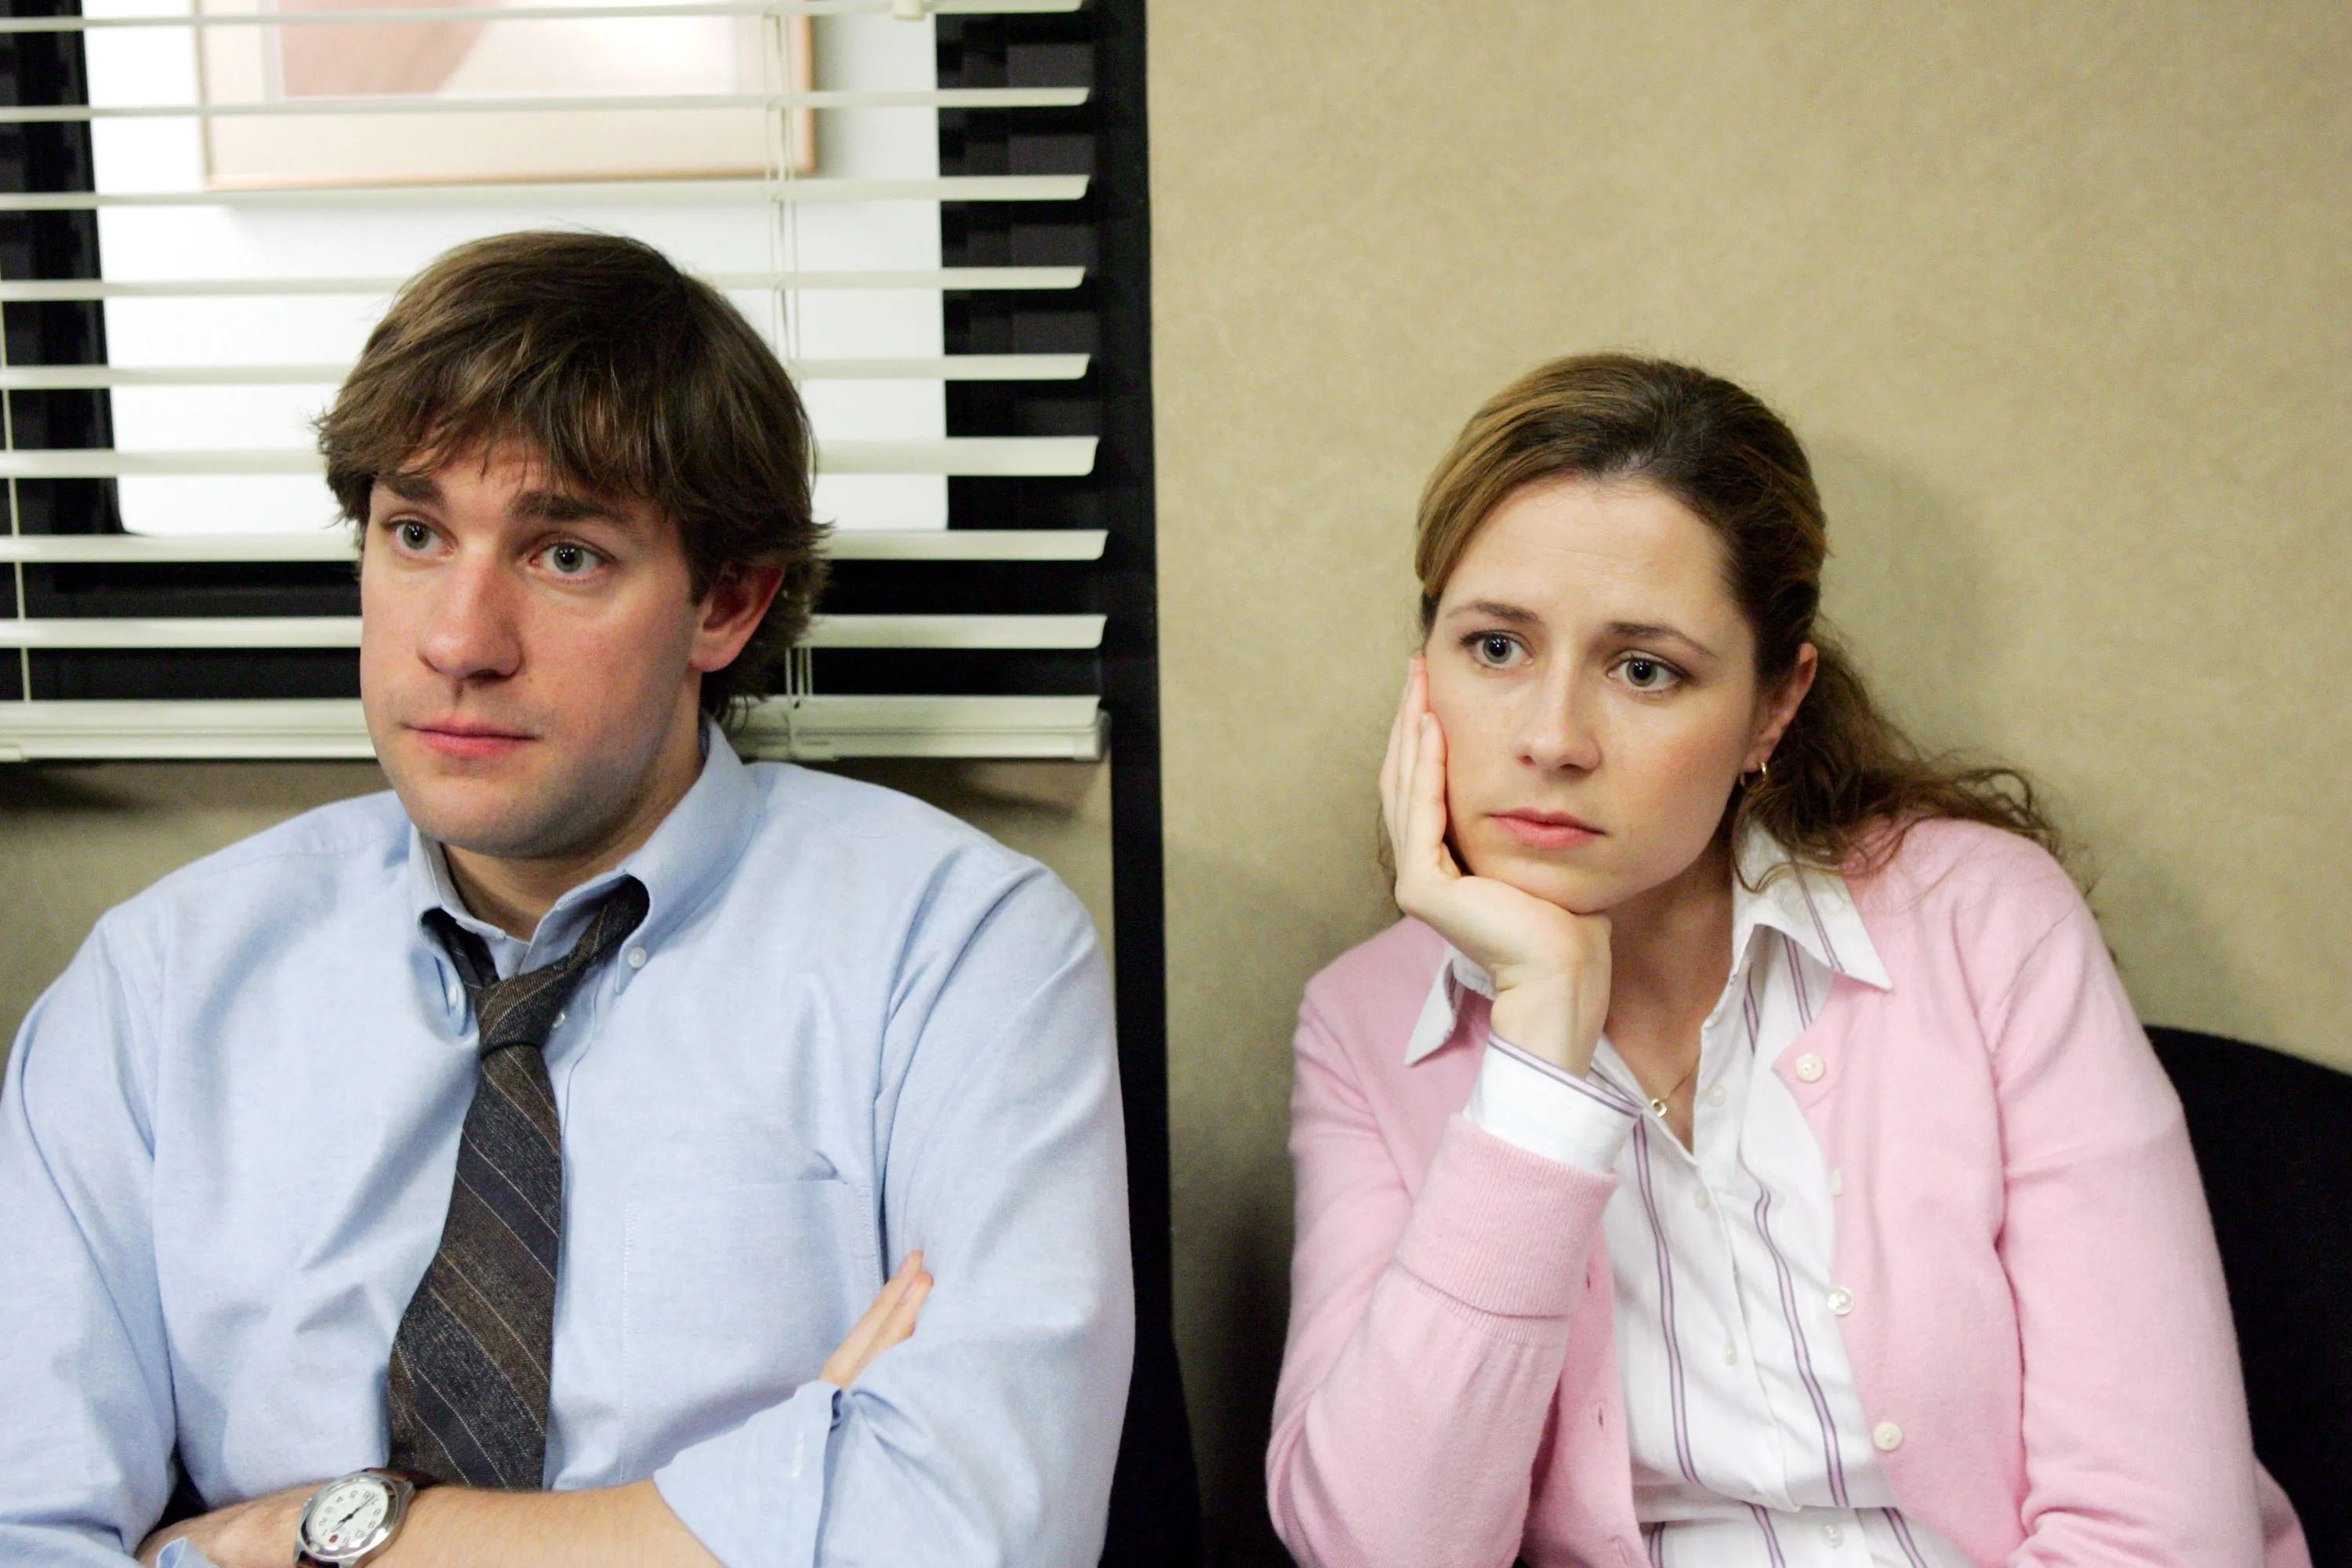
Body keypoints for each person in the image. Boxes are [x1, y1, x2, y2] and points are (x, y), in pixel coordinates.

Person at [0, 231, 1133, 1568]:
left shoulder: (955, 954)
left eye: (566, 556)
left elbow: (972, 1535)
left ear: (727, 603)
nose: (460, 641)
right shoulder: (159, 988)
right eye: (415, 533)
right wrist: (754, 1506)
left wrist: (308, 1541)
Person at [1265, 354, 2307, 1567]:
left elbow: (2164, 1536)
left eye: (1644, 668)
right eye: (1495, 648)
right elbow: (1385, 1549)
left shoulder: (1981, 924)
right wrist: (1537, 1061)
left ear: (1774, 705)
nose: (1551, 739)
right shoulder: (1362, 1026)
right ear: (1423, 672)